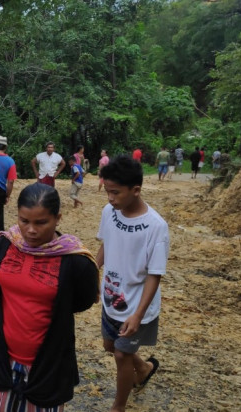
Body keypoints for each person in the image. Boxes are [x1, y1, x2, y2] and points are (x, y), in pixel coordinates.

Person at [0, 183, 99, 412]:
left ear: (57, 219)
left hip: (49, 364)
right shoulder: (6, 242)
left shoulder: (76, 261)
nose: (31, 230)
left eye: (41, 222)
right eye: (24, 221)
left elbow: (81, 301)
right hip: (0, 357)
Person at [97, 156, 169, 412]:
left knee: (120, 354)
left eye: (115, 192)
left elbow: (154, 274)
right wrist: (93, 272)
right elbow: (106, 243)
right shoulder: (110, 212)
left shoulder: (155, 226)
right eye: (107, 191)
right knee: (110, 345)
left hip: (136, 306)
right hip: (111, 298)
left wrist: (138, 315)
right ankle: (144, 367)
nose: (110, 198)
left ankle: (119, 406)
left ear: (136, 190)